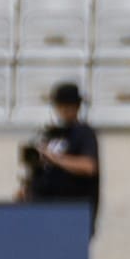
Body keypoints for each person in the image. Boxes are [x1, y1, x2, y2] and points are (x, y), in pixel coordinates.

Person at [20, 82, 100, 233]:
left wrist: (55, 158)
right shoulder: (48, 133)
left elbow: (88, 166)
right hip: (43, 208)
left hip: (72, 211)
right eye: (60, 106)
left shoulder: (83, 133)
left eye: (67, 105)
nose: (62, 110)